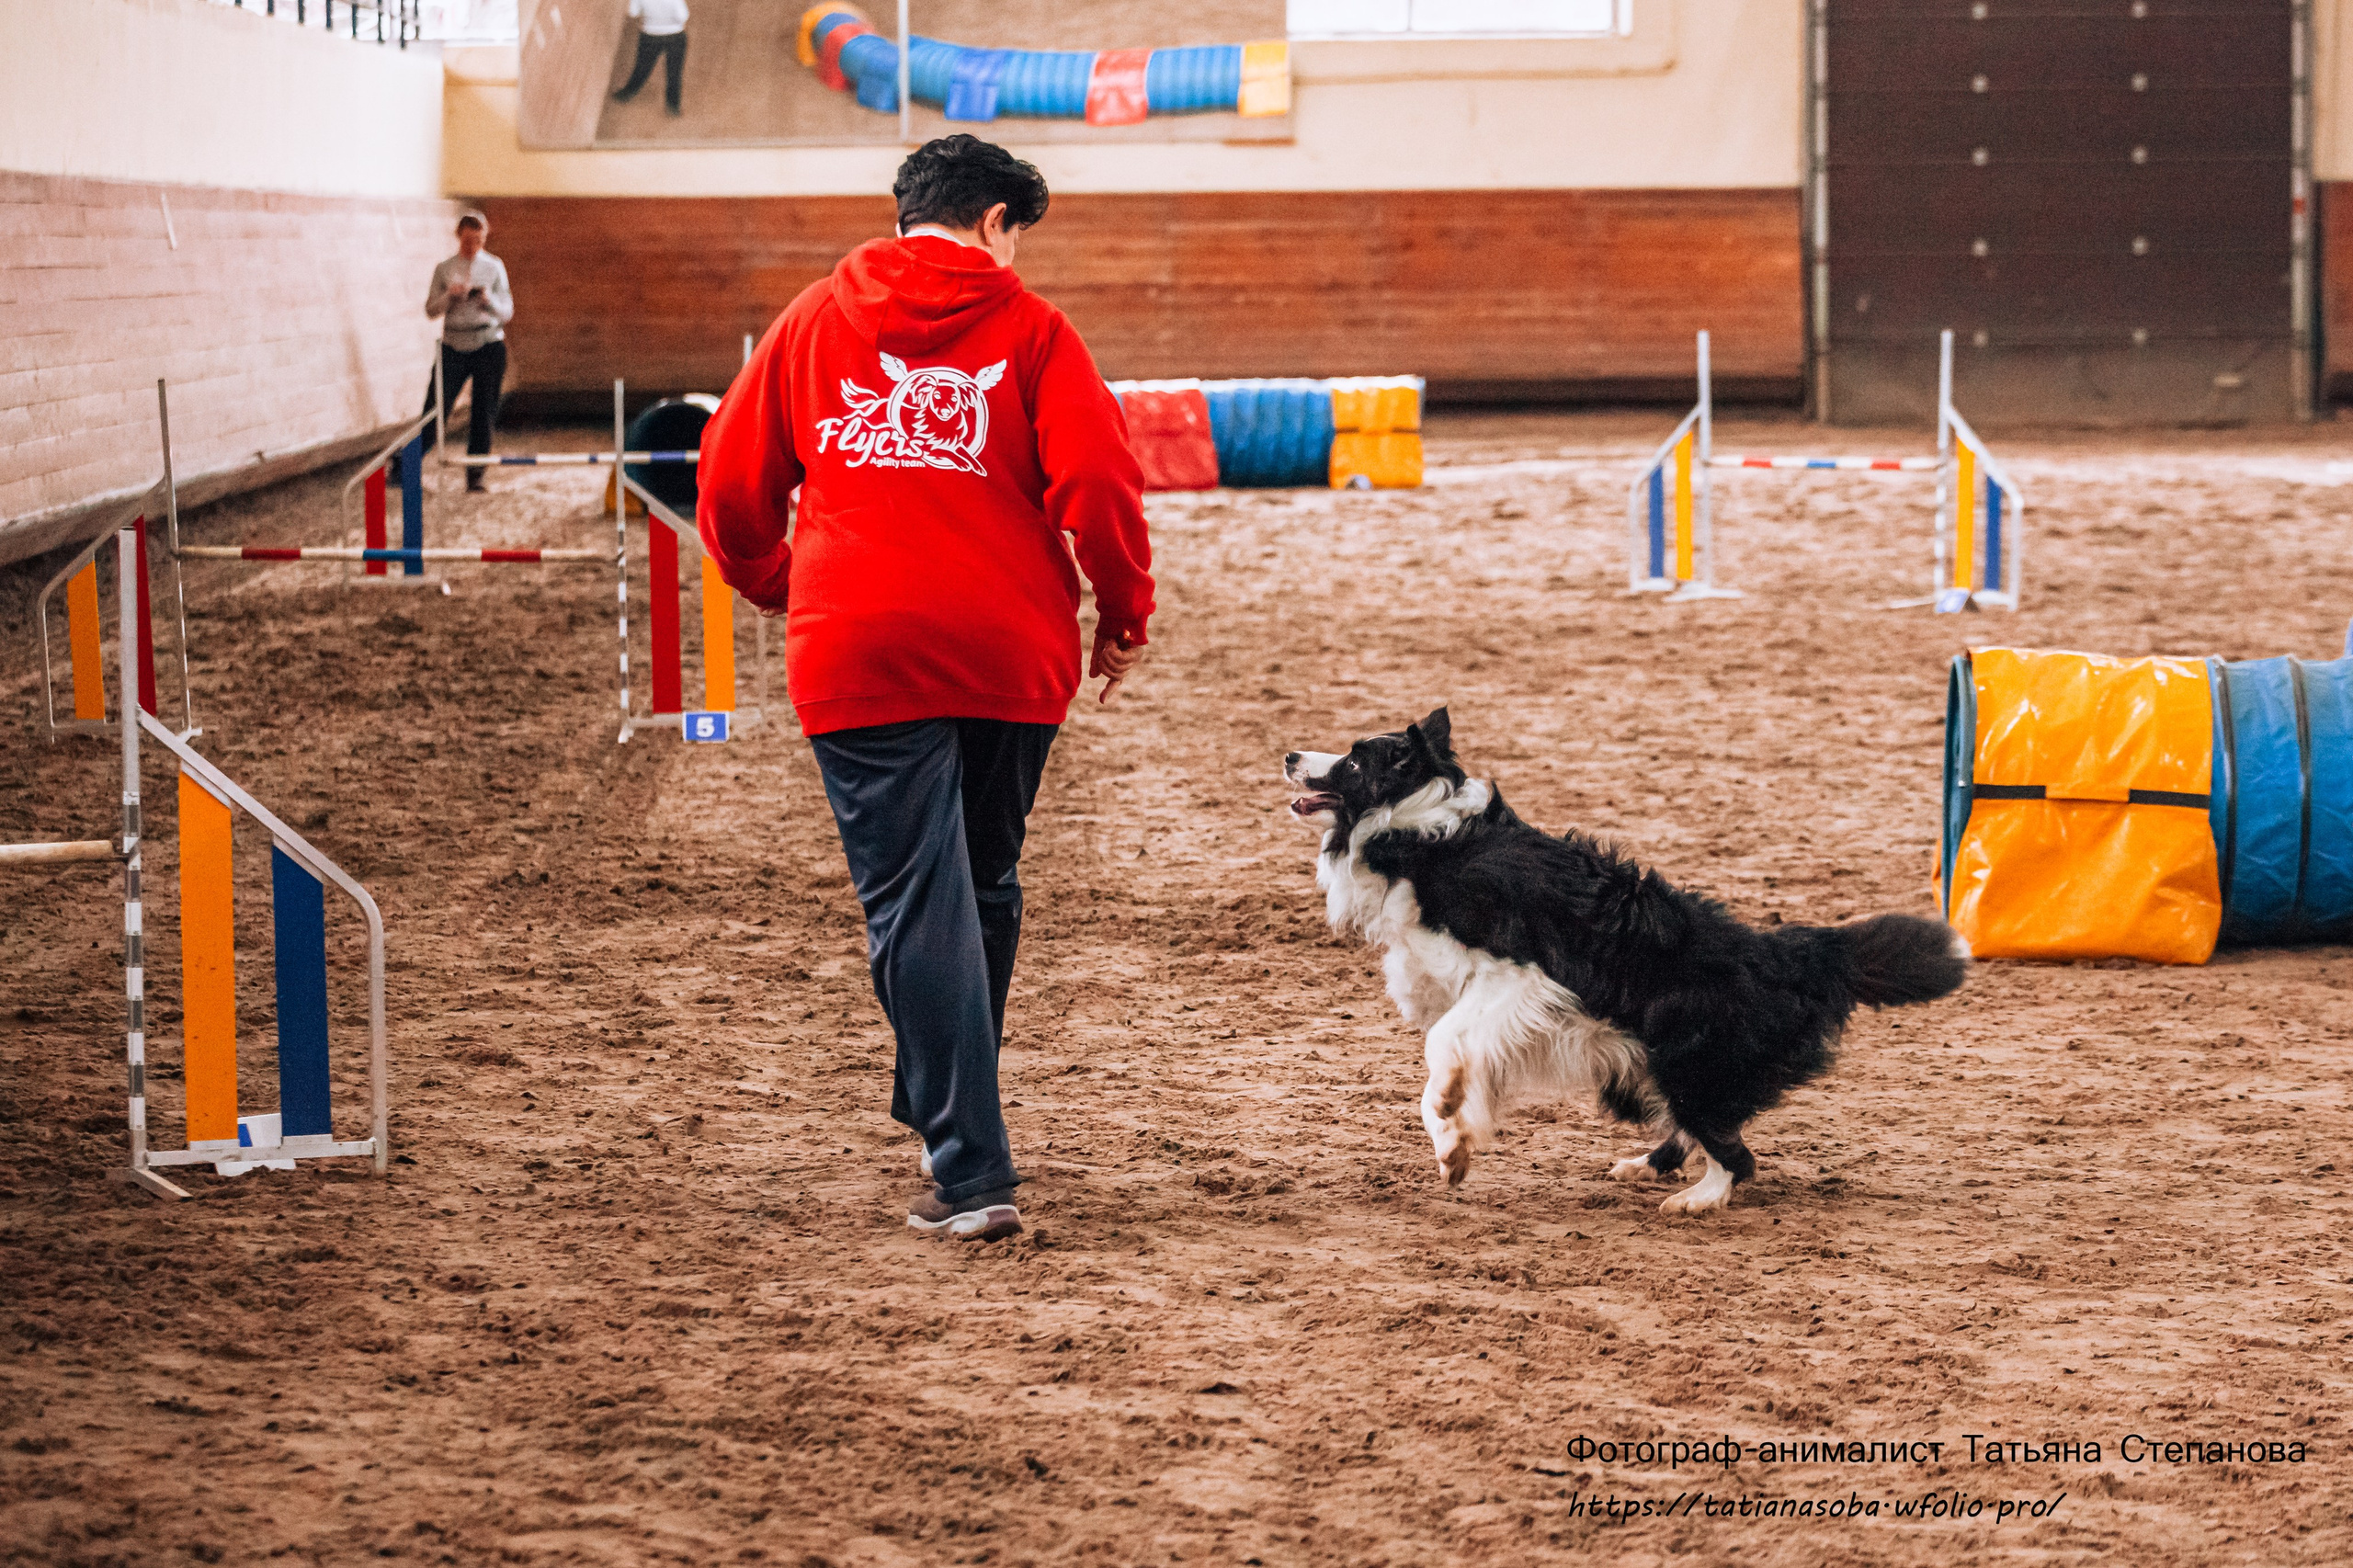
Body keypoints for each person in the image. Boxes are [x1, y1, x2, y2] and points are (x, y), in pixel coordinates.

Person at [696, 135, 1154, 1243]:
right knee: (983, 880)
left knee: (917, 898)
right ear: (997, 220)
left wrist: (776, 584)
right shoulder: (1037, 331)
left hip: (858, 642)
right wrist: (1122, 609)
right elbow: (1100, 477)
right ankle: (950, 1107)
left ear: (908, 212)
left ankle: (966, 1162)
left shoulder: (811, 319)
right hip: (1011, 646)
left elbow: (726, 477)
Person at [421, 211, 513, 494]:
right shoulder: (445, 268)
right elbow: (430, 310)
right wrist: (450, 296)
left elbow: (507, 311)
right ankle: (405, 465)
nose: (471, 245)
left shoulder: (495, 267)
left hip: (488, 343)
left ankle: (476, 475)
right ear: (459, 237)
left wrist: (488, 302)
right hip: (454, 345)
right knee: (436, 408)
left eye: (477, 240)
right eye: (467, 240)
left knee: (484, 412)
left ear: (484, 238)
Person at [613, 0, 689, 118]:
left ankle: (626, 94)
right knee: (674, 73)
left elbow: (632, 13)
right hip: (675, 37)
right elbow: (682, 16)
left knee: (642, 67)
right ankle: (673, 107)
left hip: (649, 35)